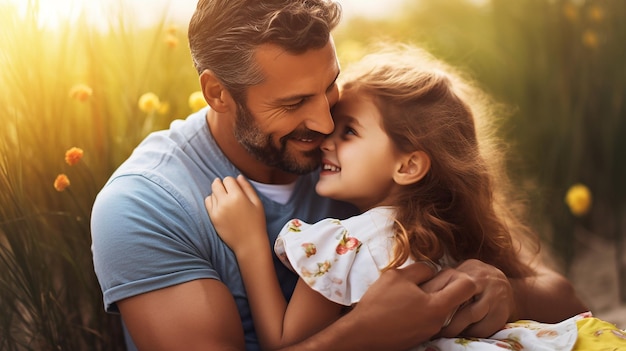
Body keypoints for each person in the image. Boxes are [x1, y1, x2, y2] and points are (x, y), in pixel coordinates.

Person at [90, 1, 587, 350]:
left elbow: (563, 299)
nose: (325, 125)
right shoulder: (146, 206)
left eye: (328, 87)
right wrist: (361, 337)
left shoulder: (360, 163)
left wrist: (504, 292)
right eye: (292, 104)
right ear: (218, 93)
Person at [204, 43, 600, 350]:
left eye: (349, 132)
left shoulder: (348, 244)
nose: (325, 137)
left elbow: (284, 342)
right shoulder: (445, 230)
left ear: (409, 166)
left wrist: (251, 244)